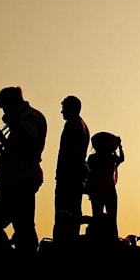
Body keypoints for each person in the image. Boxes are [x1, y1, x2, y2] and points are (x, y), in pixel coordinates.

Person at [0, 87, 47, 253]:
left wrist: (4, 139)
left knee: (0, 223)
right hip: (19, 179)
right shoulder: (26, 118)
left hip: (20, 179)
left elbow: (26, 145)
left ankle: (16, 258)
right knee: (23, 224)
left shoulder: (29, 118)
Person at [54, 95, 90, 243]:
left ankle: (62, 245)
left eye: (64, 108)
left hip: (68, 176)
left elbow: (69, 153)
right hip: (75, 176)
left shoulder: (72, 125)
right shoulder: (83, 126)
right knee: (73, 211)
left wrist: (63, 173)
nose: (62, 112)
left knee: (64, 213)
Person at [85, 131, 125, 242]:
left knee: (98, 216)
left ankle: (99, 239)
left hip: (99, 191)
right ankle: (111, 239)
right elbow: (122, 158)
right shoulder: (110, 158)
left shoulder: (95, 158)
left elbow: (88, 174)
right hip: (106, 191)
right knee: (110, 217)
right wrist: (120, 146)